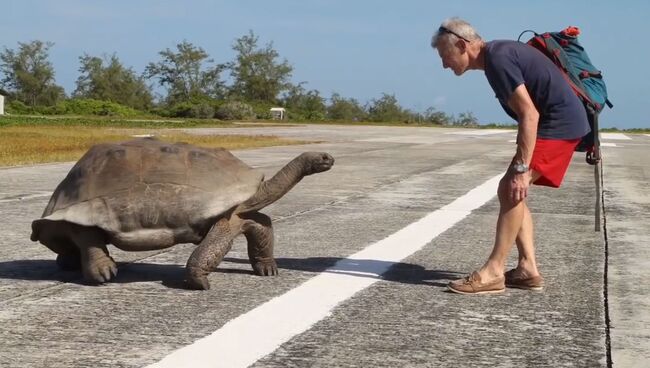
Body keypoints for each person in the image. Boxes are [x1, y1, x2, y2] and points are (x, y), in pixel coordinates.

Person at [430, 17, 590, 295]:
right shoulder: (498, 55)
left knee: (511, 188)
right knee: (513, 192)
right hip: (559, 123)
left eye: (446, 56)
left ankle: (493, 271)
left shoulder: (498, 59)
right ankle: (527, 269)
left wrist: (520, 168)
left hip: (558, 124)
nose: (445, 65)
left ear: (462, 44)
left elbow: (529, 114)